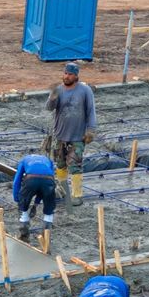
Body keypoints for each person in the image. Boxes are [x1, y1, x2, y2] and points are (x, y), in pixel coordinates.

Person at [45, 61, 95, 199]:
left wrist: (90, 130)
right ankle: (63, 192)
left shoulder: (85, 91)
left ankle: (77, 195)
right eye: (65, 73)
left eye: (70, 74)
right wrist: (52, 96)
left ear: (76, 76)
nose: (66, 76)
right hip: (60, 135)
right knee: (60, 165)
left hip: (77, 137)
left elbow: (91, 111)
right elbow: (49, 108)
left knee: (75, 166)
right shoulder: (59, 90)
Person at [11, 151, 59, 239]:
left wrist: (18, 200)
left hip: (30, 179)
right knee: (49, 206)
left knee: (23, 207)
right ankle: (46, 235)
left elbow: (17, 181)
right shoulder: (48, 161)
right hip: (48, 181)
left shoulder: (24, 160)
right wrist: (36, 204)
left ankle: (24, 233)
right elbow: (44, 184)